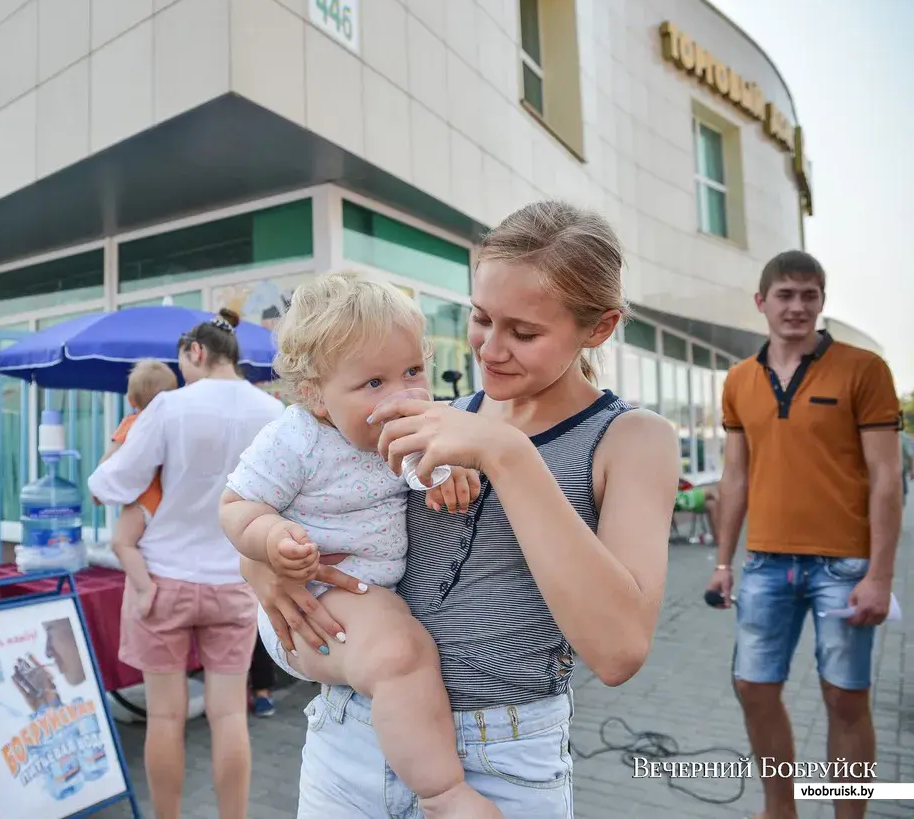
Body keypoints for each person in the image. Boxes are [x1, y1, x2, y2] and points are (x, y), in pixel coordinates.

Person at [241, 201, 679, 818]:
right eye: (480, 318)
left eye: (524, 333)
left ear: (599, 328)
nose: (490, 349)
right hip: (352, 735)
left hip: (503, 758)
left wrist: (510, 457)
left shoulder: (631, 439)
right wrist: (262, 563)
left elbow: (619, 650)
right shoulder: (425, 411)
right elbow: (298, 493)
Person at [220, 273, 494, 817]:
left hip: (360, 598)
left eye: (413, 371)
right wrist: (272, 540)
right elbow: (235, 507)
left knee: (397, 642)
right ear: (316, 395)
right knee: (402, 652)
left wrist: (454, 476)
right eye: (374, 383)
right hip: (310, 604)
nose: (404, 395)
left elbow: (432, 471)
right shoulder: (295, 438)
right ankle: (441, 793)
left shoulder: (416, 425)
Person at [706, 251, 903, 819]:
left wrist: (880, 574)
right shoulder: (740, 379)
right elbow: (735, 476)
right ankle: (780, 809)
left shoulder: (863, 370)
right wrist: (723, 562)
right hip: (765, 563)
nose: (797, 306)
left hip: (844, 566)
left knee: (844, 698)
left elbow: (888, 479)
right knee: (753, 688)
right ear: (761, 302)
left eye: (809, 295)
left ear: (821, 301)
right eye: (786, 295)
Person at [88, 308, 284, 819]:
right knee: (229, 718)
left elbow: (112, 484)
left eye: (183, 362)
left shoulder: (170, 408)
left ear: (196, 352)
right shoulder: (272, 412)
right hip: (233, 581)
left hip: (162, 579)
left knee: (166, 720)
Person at [97, 359, 178, 615]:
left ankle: (144, 588)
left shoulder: (133, 424)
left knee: (121, 543)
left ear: (132, 400)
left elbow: (108, 464)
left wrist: (99, 488)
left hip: (142, 500)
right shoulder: (175, 425)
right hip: (169, 501)